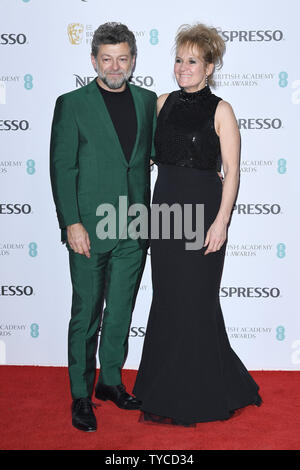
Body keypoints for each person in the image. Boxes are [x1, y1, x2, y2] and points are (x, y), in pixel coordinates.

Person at [133, 23, 262, 426]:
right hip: (165, 211)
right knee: (169, 300)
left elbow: (233, 172)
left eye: (192, 61)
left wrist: (221, 222)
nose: (182, 68)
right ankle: (162, 388)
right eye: (178, 59)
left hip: (204, 213)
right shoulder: (161, 103)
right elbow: (152, 155)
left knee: (197, 301)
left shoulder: (222, 109)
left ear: (209, 67)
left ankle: (203, 391)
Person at [50, 22, 157, 432]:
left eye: (123, 58)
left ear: (133, 61)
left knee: (121, 311)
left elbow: (147, 156)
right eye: (107, 59)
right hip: (89, 229)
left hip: (134, 224)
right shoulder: (72, 103)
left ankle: (110, 381)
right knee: (87, 313)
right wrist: (71, 222)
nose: (115, 66)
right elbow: (62, 167)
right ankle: (81, 393)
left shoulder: (147, 101)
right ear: (93, 60)